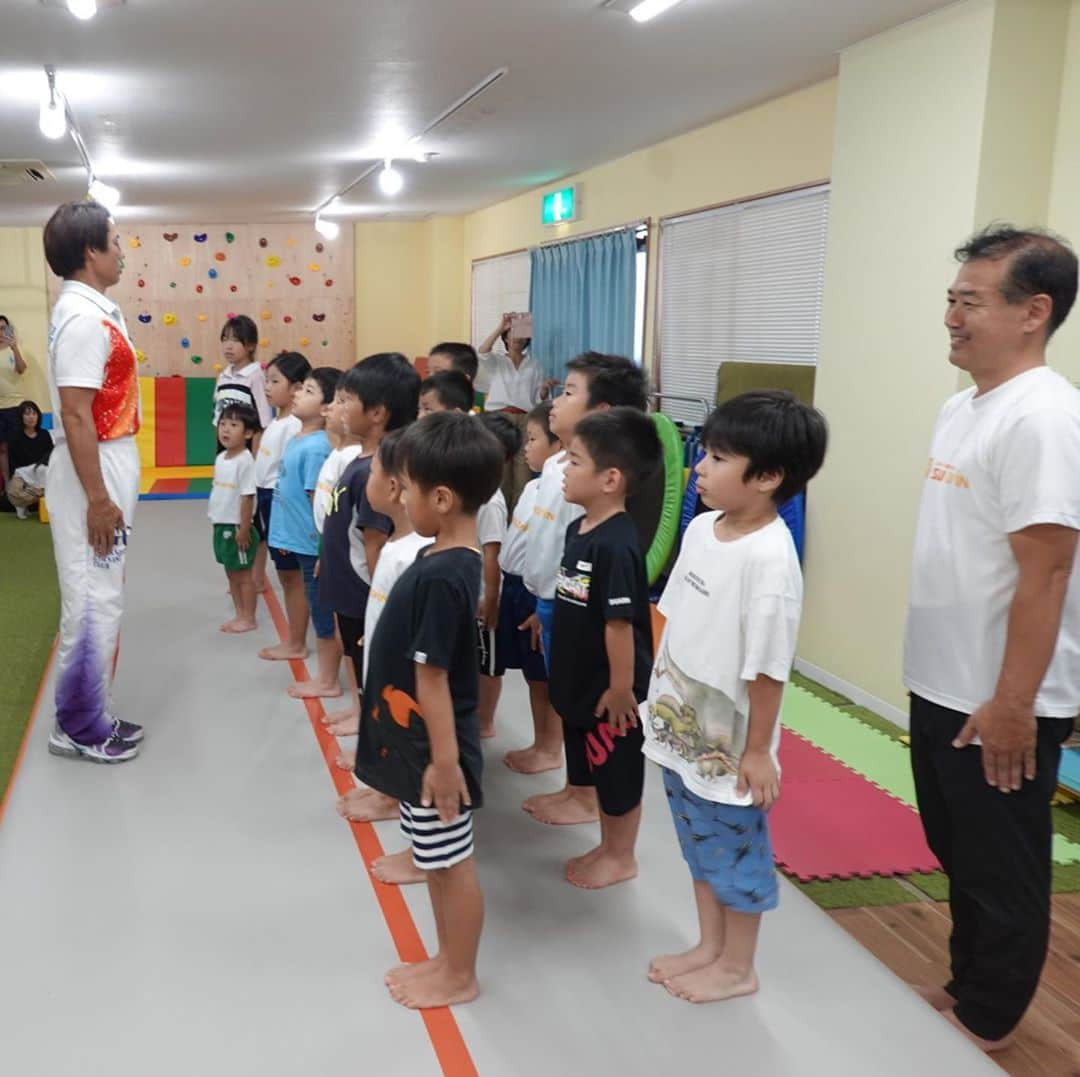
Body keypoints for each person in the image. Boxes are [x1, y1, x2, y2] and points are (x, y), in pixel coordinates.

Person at [903, 226, 1080, 1052]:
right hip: (941, 680)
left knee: (1001, 868)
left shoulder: (1045, 418)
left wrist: (1015, 703)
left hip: (998, 701)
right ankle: (964, 982)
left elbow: (1045, 574)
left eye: (969, 302)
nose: (951, 317)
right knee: (956, 847)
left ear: (1033, 313)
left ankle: (991, 1020)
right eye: (951, 299)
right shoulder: (962, 405)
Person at [644, 390, 827, 1004]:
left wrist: (757, 751)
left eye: (718, 458)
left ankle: (738, 966)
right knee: (698, 844)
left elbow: (769, 669)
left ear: (769, 476)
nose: (700, 467)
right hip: (682, 730)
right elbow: (675, 620)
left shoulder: (771, 563)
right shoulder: (701, 528)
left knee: (736, 854)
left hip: (728, 747)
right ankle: (709, 946)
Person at [354, 411, 503, 1010]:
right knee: (434, 861)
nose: (403, 497)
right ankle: (447, 959)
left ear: (440, 498)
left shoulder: (448, 573)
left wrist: (444, 765)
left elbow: (434, 677)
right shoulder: (439, 554)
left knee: (450, 865)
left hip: (436, 753)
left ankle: (460, 974)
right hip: (421, 745)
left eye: (409, 489)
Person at [521, 351, 647, 825]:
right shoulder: (562, 469)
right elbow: (558, 551)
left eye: (570, 392)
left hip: (589, 625)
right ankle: (576, 789)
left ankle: (591, 798)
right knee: (570, 700)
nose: (556, 400)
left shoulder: (598, 494)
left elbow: (616, 615)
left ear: (602, 413)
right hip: (558, 605)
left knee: (593, 716)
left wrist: (620, 683)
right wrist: (542, 600)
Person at [41, 200, 144, 763]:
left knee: (103, 593)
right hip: (93, 465)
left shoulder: (96, 309)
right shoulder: (83, 320)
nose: (122, 249)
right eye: (114, 239)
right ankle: (78, 727)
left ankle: (90, 708)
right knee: (90, 599)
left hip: (108, 456)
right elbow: (76, 415)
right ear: (90, 253)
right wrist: (99, 498)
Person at [549, 408, 658, 889]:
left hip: (611, 689)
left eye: (573, 461)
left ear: (610, 478)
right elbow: (574, 592)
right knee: (589, 761)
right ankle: (606, 843)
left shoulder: (616, 543)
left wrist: (621, 690)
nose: (563, 470)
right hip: (580, 677)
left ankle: (622, 854)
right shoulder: (580, 529)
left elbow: (619, 623)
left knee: (616, 772)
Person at [336, 429, 432, 873]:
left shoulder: (413, 555)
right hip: (383, 666)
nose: (366, 478)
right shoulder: (396, 545)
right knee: (392, 739)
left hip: (406, 683)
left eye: (373, 471)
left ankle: (421, 852)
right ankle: (388, 793)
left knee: (411, 751)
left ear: (394, 488)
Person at [318, 352, 418, 717]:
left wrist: (380, 600)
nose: (339, 408)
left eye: (347, 401)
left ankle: (369, 718)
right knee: (352, 650)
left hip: (363, 590)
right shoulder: (359, 463)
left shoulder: (377, 472)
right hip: (345, 580)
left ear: (377, 413)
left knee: (367, 655)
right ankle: (361, 708)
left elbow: (376, 543)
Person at [501, 402, 564, 775]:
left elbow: (552, 551)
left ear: (557, 447)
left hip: (536, 591)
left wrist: (543, 602)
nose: (526, 447)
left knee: (543, 676)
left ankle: (550, 747)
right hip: (516, 586)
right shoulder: (532, 488)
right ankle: (541, 742)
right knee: (530, 673)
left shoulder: (557, 492)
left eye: (533, 439)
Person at [259, 368, 335, 670]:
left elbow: (317, 502)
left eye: (308, 391)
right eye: (300, 388)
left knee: (320, 608)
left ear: (326, 408)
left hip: (308, 542)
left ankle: (316, 662)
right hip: (293, 537)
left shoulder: (316, 447)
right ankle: (296, 642)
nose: (296, 394)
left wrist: (323, 548)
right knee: (300, 589)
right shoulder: (298, 438)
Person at [477, 314, 557, 508]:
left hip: (525, 418)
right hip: (499, 418)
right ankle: (499, 519)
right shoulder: (496, 361)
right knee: (500, 469)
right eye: (512, 336)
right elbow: (482, 351)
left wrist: (545, 389)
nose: (517, 341)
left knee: (523, 472)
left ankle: (518, 520)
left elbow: (538, 397)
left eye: (521, 338)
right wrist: (500, 327)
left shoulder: (534, 364)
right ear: (505, 338)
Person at [473, 412, 520, 739]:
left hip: (484, 595)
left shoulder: (490, 501)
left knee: (488, 664)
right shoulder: (472, 491)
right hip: (468, 594)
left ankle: (485, 721)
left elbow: (492, 555)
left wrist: (490, 600)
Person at [253, 351, 310, 593]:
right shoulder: (277, 422)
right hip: (264, 494)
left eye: (275, 381)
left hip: (278, 498)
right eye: (267, 380)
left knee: (290, 571)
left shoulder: (294, 426)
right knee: (281, 565)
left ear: (297, 388)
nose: (268, 387)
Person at [209, 403, 261, 633]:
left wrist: (244, 528)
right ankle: (240, 613)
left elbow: (247, 497)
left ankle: (248, 617)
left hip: (236, 526)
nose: (225, 430)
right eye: (222, 424)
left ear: (248, 433)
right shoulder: (222, 458)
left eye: (233, 425)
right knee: (231, 572)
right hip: (221, 524)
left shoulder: (245, 461)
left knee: (243, 575)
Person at [213, 315, 272, 435]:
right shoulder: (223, 377)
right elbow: (217, 418)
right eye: (225, 339)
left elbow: (264, 421)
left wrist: (256, 452)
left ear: (251, 345)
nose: (228, 346)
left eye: (235, 340)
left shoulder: (256, 377)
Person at [4, 401, 54, 519]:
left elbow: (50, 457)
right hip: (23, 478)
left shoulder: (44, 434)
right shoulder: (14, 436)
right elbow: (13, 465)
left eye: (34, 413)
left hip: (41, 475)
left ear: (38, 416)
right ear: (21, 417)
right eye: (27, 414)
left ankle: (30, 501)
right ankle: (25, 502)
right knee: (9, 498)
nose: (31, 417)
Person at [0, 315, 29, 484]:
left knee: (16, 446)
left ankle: (21, 483)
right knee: (2, 448)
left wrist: (15, 348)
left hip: (15, 406)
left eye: (4, 328)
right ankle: (8, 484)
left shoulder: (15, 348)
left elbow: (22, 369)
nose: (1, 332)